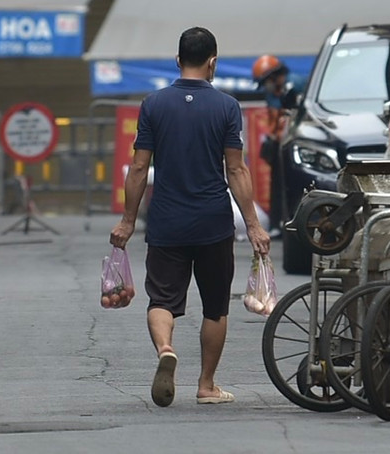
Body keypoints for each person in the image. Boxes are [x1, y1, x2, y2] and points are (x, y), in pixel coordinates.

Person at [110, 27, 271, 408]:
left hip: (166, 220)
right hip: (213, 222)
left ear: (178, 61)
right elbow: (237, 171)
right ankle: (206, 385)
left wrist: (128, 221)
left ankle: (166, 348)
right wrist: (253, 224)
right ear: (212, 62)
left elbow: (138, 168)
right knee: (215, 306)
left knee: (161, 301)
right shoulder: (227, 107)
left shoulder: (153, 104)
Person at [251, 54, 299, 235]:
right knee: (276, 184)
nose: (266, 86)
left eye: (265, 81)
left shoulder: (296, 84)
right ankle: (276, 224)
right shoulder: (272, 94)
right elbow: (274, 118)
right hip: (280, 143)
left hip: (296, 142)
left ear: (273, 76)